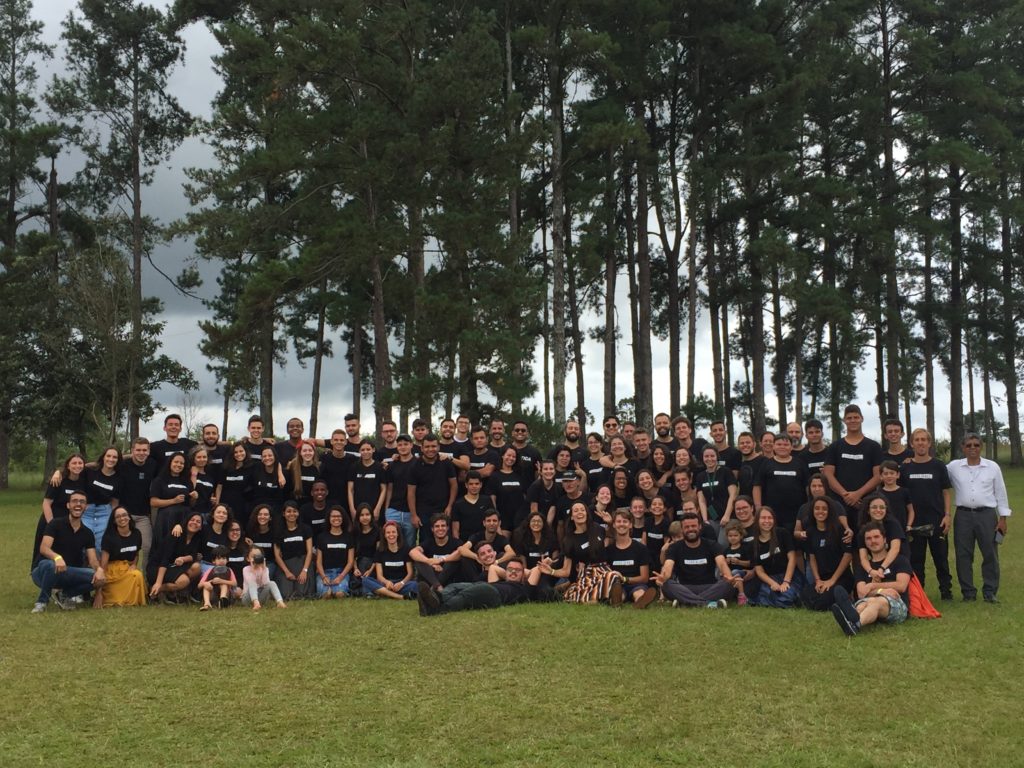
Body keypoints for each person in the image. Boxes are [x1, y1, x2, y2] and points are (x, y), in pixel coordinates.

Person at [947, 433, 1011, 603]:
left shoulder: (992, 467)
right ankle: (968, 593)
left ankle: (990, 592)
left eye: (976, 445)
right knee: (963, 555)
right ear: (963, 447)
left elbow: (1001, 492)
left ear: (981, 446)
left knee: (990, 554)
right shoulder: (953, 467)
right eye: (968, 445)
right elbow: (935, 472)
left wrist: (1003, 518)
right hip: (963, 516)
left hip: (987, 515)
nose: (972, 448)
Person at [831, 521, 912, 636]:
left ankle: (854, 623)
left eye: (876, 537)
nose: (873, 541)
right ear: (865, 543)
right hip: (868, 602)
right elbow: (861, 593)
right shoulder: (863, 567)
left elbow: (901, 586)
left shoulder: (900, 560)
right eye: (868, 538)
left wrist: (872, 586)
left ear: (884, 539)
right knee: (863, 603)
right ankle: (852, 618)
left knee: (876, 601)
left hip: (897, 605)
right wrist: (881, 591)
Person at [31, 491, 106, 612]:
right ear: (68, 505)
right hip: (43, 571)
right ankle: (41, 602)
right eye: (74, 501)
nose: (78, 504)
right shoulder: (55, 524)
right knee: (50, 565)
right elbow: (44, 548)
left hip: (67, 572)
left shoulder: (87, 533)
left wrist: (99, 569)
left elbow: (92, 559)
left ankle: (64, 595)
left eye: (82, 502)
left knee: (98, 578)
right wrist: (57, 558)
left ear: (86, 507)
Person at [901, 428, 953, 599]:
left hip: (937, 521)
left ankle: (946, 592)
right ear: (912, 443)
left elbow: (946, 492)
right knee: (916, 561)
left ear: (929, 443)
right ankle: (918, 593)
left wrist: (947, 515)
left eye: (924, 439)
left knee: (941, 559)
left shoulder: (938, 465)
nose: (921, 443)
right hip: (914, 522)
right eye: (917, 439)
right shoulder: (906, 466)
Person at [656, 512, 741, 608]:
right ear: (682, 529)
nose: (690, 529)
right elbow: (668, 565)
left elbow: (721, 563)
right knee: (666, 585)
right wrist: (664, 577)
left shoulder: (712, 545)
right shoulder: (674, 547)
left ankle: (685, 602)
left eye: (693, 526)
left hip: (710, 587)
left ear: (700, 526)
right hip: (685, 588)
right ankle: (708, 604)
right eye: (687, 527)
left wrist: (728, 576)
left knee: (728, 584)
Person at [542, 502, 621, 604]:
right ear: (571, 517)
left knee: (613, 575)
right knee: (583, 594)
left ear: (587, 514)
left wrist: (610, 523)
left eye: (582, 510)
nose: (580, 512)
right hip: (586, 573)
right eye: (576, 510)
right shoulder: (569, 540)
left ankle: (613, 604)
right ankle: (595, 597)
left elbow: (613, 537)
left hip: (604, 569)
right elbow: (566, 570)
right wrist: (551, 571)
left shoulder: (597, 528)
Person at [417, 556, 542, 616]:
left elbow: (537, 569)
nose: (513, 571)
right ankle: (436, 599)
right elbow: (493, 567)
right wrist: (510, 574)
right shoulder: (499, 580)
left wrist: (521, 576)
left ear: (524, 575)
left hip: (494, 595)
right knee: (455, 586)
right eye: (510, 569)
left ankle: (436, 609)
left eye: (517, 570)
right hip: (485, 588)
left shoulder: (525, 589)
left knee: (465, 595)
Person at [822, 404, 882, 523]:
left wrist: (858, 494)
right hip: (840, 504)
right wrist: (846, 495)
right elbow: (828, 474)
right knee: (842, 539)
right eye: (849, 418)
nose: (853, 420)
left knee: (867, 539)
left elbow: (878, 476)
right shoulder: (835, 446)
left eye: (856, 417)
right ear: (844, 420)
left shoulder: (874, 447)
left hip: (865, 504)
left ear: (862, 418)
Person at [33, 453, 87, 571]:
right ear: (67, 465)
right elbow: (46, 504)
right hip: (52, 520)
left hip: (71, 523)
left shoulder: (84, 481)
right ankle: (44, 578)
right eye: (74, 463)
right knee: (48, 551)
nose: (77, 466)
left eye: (80, 463)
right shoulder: (58, 480)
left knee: (66, 551)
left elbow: (97, 464)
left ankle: (64, 582)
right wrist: (52, 525)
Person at [800, 497, 854, 611]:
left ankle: (842, 599)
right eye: (817, 508)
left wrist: (832, 580)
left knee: (821, 603)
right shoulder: (810, 532)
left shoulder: (840, 529)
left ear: (830, 511)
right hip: (823, 578)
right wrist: (818, 580)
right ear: (812, 511)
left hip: (841, 578)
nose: (820, 511)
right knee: (805, 595)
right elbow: (812, 557)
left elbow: (848, 555)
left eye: (824, 509)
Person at [95, 507, 146, 608]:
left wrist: (134, 564)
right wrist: (98, 592)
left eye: (124, 515)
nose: (122, 518)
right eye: (118, 517)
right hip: (112, 571)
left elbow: (136, 553)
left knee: (137, 575)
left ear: (129, 517)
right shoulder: (109, 537)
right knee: (117, 599)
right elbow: (103, 564)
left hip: (127, 568)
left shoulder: (136, 533)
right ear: (114, 521)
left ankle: (131, 600)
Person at [149, 511, 204, 604]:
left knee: (197, 567)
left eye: (198, 522)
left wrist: (183, 559)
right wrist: (158, 582)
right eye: (192, 520)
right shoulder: (176, 534)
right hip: (158, 567)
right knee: (184, 581)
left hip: (174, 566)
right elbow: (164, 559)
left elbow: (193, 555)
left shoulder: (197, 538)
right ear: (186, 521)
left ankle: (173, 592)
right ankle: (154, 590)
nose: (195, 523)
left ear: (201, 527)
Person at [751, 507, 801, 607]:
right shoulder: (753, 544)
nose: (767, 521)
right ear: (757, 520)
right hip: (770, 579)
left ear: (774, 520)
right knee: (766, 596)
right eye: (763, 518)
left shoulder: (782, 533)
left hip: (788, 575)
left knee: (786, 596)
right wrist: (773, 583)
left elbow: (792, 558)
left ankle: (791, 598)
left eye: (770, 518)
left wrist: (786, 582)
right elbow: (759, 571)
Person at [606, 510, 657, 608]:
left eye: (625, 521)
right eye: (619, 521)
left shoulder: (641, 548)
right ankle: (617, 601)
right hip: (617, 585)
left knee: (639, 592)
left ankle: (640, 601)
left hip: (636, 584)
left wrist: (625, 579)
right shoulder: (609, 550)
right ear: (614, 525)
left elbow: (644, 578)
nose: (622, 524)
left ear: (630, 525)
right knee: (619, 592)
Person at [363, 521, 418, 599]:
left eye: (393, 532)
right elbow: (379, 576)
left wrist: (402, 583)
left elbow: (410, 573)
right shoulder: (380, 551)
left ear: (398, 534)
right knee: (366, 580)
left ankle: (382, 592)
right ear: (384, 535)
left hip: (401, 583)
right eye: (388, 533)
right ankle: (399, 597)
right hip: (386, 583)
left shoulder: (406, 549)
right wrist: (387, 582)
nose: (391, 535)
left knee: (415, 585)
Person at [81, 446, 123, 550]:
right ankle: (82, 566)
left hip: (104, 512)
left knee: (100, 544)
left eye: (115, 457)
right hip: (86, 511)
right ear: (103, 457)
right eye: (108, 456)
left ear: (118, 460)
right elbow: (74, 467)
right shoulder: (90, 472)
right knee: (83, 541)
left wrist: (114, 518)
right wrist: (58, 472)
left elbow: (114, 502)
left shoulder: (119, 479)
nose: (111, 459)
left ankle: (97, 566)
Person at [410, 513, 464, 592]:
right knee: (419, 560)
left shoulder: (455, 542)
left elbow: (460, 553)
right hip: (432, 577)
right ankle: (438, 587)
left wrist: (442, 560)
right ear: (432, 529)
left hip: (449, 577)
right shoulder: (429, 542)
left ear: (448, 528)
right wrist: (429, 562)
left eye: (443, 526)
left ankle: (434, 588)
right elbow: (413, 552)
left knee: (453, 560)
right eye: (437, 526)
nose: (440, 529)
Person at [273, 501, 315, 600]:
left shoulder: (306, 529)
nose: (292, 514)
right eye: (289, 511)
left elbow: (309, 552)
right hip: (286, 565)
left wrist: (305, 571)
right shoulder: (278, 531)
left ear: (298, 513)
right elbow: (277, 556)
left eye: (294, 511)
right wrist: (287, 572)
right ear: (284, 514)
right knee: (287, 594)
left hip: (303, 563)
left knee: (302, 593)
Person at [383, 433, 418, 546]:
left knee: (409, 545)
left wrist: (415, 514)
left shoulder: (418, 463)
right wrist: (387, 509)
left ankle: (409, 564)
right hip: (393, 510)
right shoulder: (393, 465)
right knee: (392, 544)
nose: (403, 447)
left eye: (405, 444)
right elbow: (389, 488)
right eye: (400, 445)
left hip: (410, 512)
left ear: (411, 445)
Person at [695, 446, 737, 533]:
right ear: (702, 458)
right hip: (711, 519)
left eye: (712, 456)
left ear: (717, 457)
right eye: (706, 456)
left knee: (722, 544)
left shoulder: (726, 472)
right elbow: (702, 500)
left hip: (727, 518)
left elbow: (733, 495)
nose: (709, 459)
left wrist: (727, 516)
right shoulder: (700, 476)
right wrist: (705, 520)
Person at [488, 446, 528, 535]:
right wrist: (496, 522)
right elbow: (492, 500)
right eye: (508, 455)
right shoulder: (495, 476)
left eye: (514, 456)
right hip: (503, 520)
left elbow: (525, 497)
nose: (511, 458)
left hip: (520, 520)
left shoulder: (519, 476)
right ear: (502, 456)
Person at [316, 507, 355, 599]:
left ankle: (340, 588)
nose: (336, 519)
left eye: (339, 516)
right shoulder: (321, 537)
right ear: (329, 519)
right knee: (327, 595)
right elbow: (318, 562)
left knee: (339, 594)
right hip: (325, 572)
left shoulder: (349, 537)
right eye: (333, 516)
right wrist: (323, 577)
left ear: (343, 518)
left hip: (342, 572)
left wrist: (340, 577)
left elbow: (350, 562)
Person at [347, 439, 386, 523]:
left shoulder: (379, 467)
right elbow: (350, 490)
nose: (365, 452)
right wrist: (352, 509)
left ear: (373, 450)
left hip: (374, 507)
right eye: (363, 450)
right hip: (358, 508)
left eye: (368, 449)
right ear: (359, 451)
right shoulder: (354, 467)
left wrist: (378, 508)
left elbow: (384, 490)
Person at [217, 442, 252, 528]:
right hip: (226, 504)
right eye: (236, 452)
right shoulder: (226, 468)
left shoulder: (251, 467)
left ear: (246, 452)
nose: (238, 454)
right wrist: (217, 504)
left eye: (241, 451)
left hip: (242, 506)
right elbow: (219, 486)